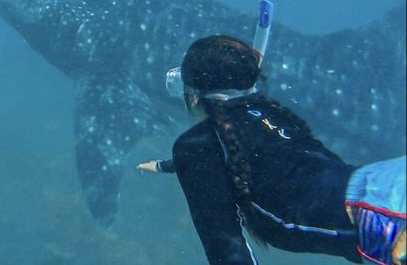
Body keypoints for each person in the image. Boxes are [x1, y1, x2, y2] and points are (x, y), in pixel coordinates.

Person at [137, 35, 406, 265]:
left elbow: (226, 246)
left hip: (386, 220)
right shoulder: (271, 115)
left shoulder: (196, 146)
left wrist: (184, 160)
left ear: (192, 94)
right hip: (386, 182)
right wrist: (169, 165)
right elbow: (261, 156)